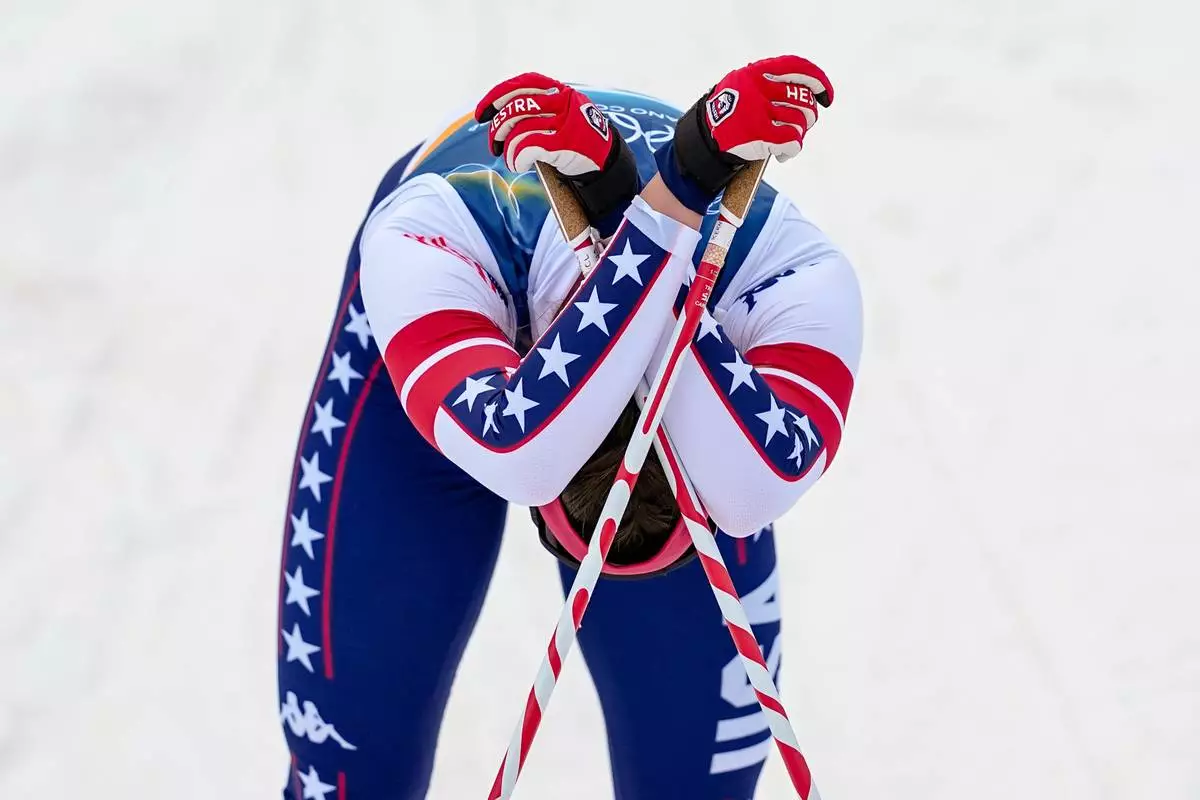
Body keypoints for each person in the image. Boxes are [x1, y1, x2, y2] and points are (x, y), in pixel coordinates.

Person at [276, 55, 862, 800]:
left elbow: (742, 483)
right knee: (353, 779)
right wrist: (665, 193)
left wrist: (655, 193)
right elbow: (522, 454)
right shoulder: (428, 235)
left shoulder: (795, 277)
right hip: (464, 263)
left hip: (635, 278)